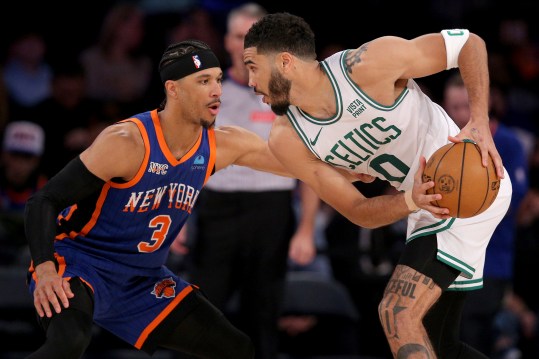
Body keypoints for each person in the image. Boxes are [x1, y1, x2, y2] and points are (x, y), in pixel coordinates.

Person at [243, 13, 512, 359]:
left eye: (253, 67)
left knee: (397, 313)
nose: (250, 81)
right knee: (439, 344)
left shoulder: (367, 65)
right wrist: (410, 203)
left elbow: (469, 44)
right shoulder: (287, 137)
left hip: (464, 185)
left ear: (285, 61)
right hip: (425, 205)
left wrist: (479, 119)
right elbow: (359, 211)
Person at [24, 39, 305, 359]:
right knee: (68, 343)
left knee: (237, 349)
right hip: (80, 263)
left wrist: (356, 168)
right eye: (203, 81)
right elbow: (43, 201)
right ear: (173, 89)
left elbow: (298, 165)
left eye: (217, 80)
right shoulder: (128, 141)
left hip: (143, 278)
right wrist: (45, 267)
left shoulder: (223, 144)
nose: (217, 91)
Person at [186, 4, 319, 359]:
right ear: (226, 41)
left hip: (271, 211)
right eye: (238, 35)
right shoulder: (204, 92)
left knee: (263, 314)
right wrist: (180, 220)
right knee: (200, 310)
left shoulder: (291, 96)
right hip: (217, 210)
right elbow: (183, 161)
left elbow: (310, 166)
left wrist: (306, 228)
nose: (245, 44)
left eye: (253, 37)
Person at [443, 74, 529, 358]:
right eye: (452, 107)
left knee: (474, 335)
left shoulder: (508, 143)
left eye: (465, 106)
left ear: (484, 103)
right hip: (447, 259)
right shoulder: (444, 145)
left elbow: (510, 200)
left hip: (491, 261)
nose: (459, 114)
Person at [0, 121, 47, 266]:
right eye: (15, 155)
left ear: (36, 160)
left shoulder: (46, 189)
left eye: (27, 157)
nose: (19, 163)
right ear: (4, 155)